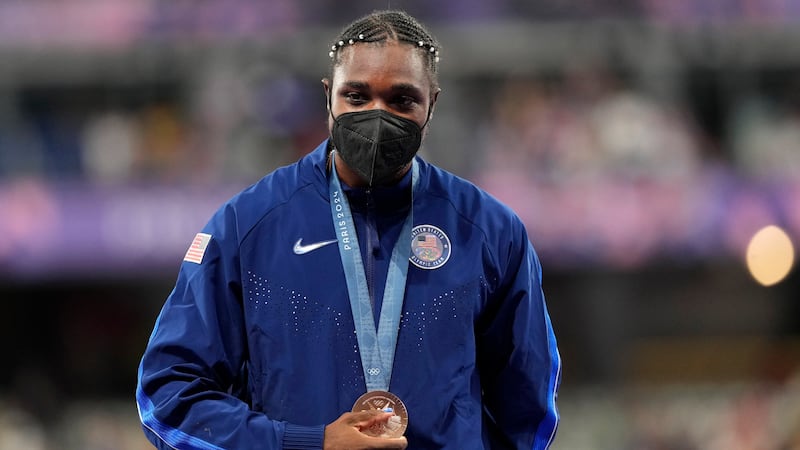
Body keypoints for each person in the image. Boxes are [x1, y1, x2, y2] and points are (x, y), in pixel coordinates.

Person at [136, 9, 561, 450]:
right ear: (329, 96)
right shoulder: (249, 226)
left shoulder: (490, 231)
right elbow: (168, 396)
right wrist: (306, 443)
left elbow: (528, 410)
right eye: (357, 97)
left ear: (432, 103)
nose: (377, 117)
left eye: (401, 100)